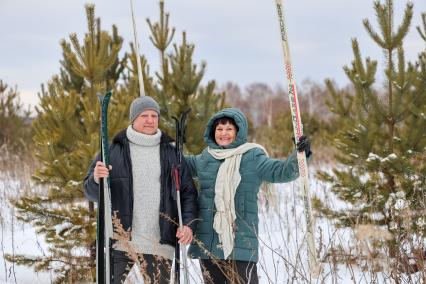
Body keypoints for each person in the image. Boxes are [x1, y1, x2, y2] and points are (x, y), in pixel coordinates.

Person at [186, 108, 311, 284]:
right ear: (212, 132)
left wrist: (300, 155)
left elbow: (282, 172)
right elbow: (177, 164)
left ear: (238, 131)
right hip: (209, 242)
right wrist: (162, 147)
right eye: (219, 129)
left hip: (241, 241)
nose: (224, 133)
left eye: (229, 129)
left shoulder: (253, 157)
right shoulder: (205, 158)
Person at [83, 96, 198, 284]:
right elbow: (90, 192)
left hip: (159, 243)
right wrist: (96, 179)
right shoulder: (112, 151)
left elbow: (188, 194)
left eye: (154, 115)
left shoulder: (172, 154)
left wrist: (188, 225)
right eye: (144, 115)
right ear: (133, 119)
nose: (150, 120)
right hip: (120, 241)